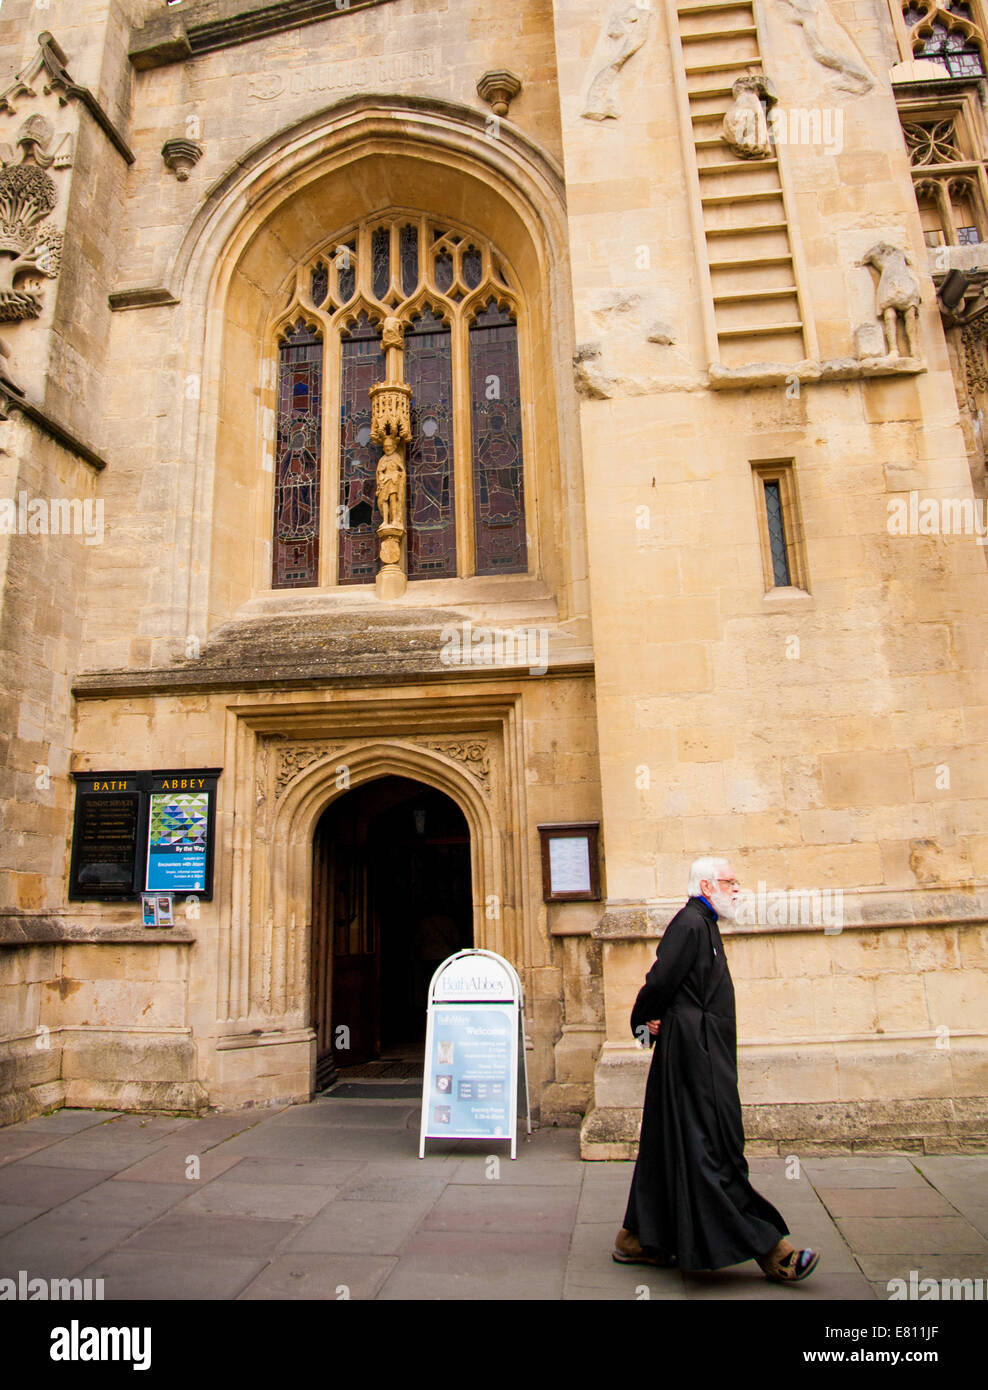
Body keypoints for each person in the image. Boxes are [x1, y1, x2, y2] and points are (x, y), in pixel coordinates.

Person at [613, 856, 820, 1284]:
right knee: (710, 1149)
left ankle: (634, 1238)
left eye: (736, 882)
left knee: (672, 1143)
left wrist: (659, 1019)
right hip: (693, 1055)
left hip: (703, 1052)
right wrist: (644, 1022)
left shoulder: (704, 924)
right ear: (705, 886)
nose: (737, 888)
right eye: (730, 882)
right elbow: (659, 980)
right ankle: (771, 1250)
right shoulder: (689, 924)